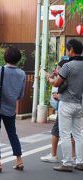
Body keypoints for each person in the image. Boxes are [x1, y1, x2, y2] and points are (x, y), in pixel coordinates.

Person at [46, 39, 83, 172]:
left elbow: (56, 83)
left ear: (71, 50)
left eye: (68, 49)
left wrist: (49, 79)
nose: (68, 51)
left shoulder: (68, 66)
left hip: (66, 103)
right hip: (80, 104)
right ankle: (80, 161)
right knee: (78, 134)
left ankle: (67, 163)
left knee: (65, 134)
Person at [0, 46, 26, 173]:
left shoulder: (0, 70)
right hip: (10, 109)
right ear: (18, 59)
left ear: (5, 57)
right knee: (12, 134)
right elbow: (20, 95)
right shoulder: (22, 74)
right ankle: (19, 160)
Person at [42, 59, 76, 163]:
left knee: (57, 131)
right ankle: (74, 157)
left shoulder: (63, 78)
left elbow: (55, 84)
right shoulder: (73, 75)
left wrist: (48, 77)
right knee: (73, 133)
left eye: (58, 68)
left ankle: (55, 155)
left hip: (65, 106)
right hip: (75, 105)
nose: (56, 70)